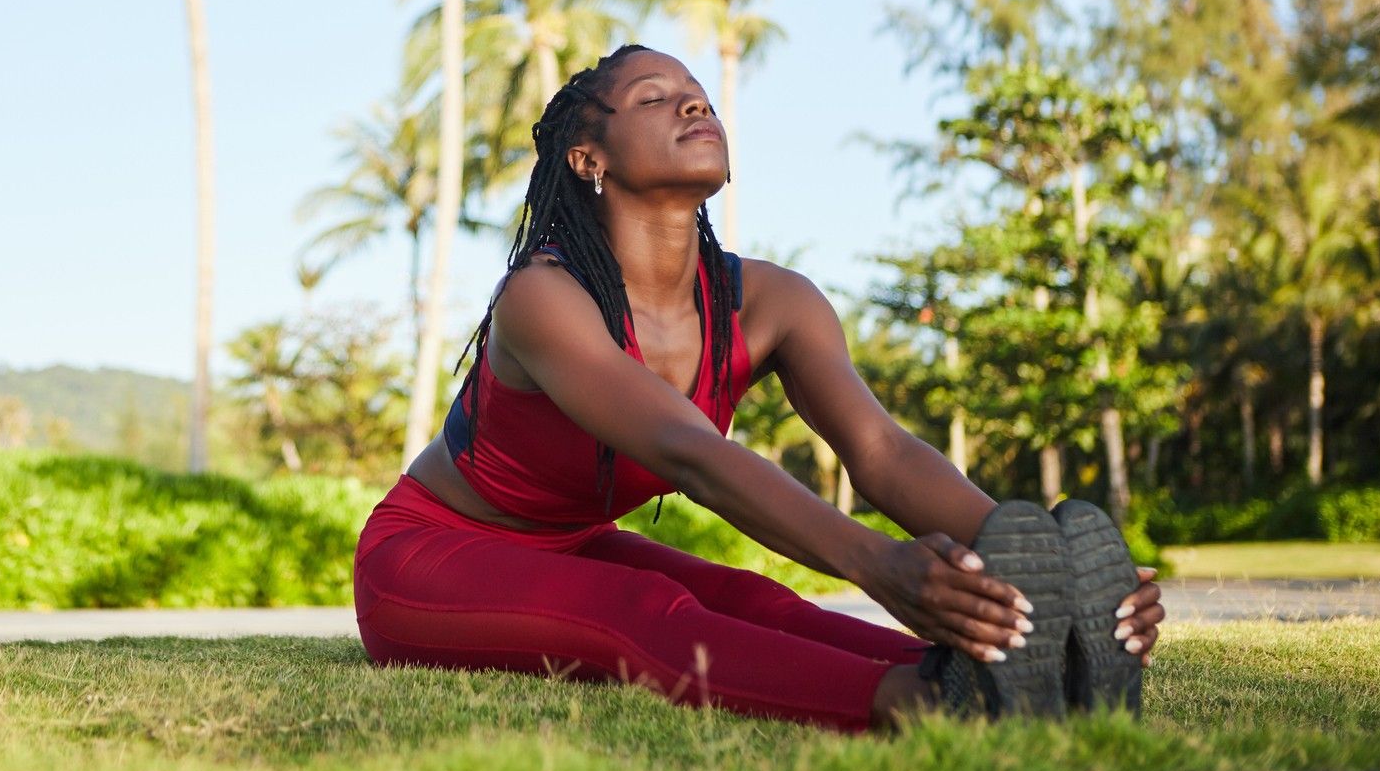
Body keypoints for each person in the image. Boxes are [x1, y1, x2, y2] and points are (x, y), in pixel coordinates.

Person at [352, 44, 1164, 732]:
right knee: (634, 616)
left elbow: (878, 452)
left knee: (758, 603)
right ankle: (919, 702)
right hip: (429, 556)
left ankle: (1014, 660)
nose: (692, 106)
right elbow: (686, 452)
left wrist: (1033, 564)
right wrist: (875, 564)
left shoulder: (774, 301)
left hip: (569, 541)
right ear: (585, 157)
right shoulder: (544, 298)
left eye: (698, 97)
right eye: (654, 97)